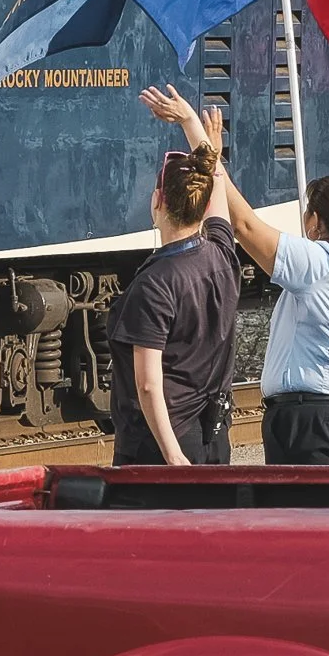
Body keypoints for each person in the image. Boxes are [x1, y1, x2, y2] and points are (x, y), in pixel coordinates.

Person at [143, 85, 329, 465]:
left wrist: (205, 148)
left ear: (315, 222)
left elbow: (242, 224)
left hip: (315, 425)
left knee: (303, 507)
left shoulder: (317, 264)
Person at [106, 120, 239, 467]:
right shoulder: (222, 254)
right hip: (214, 436)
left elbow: (148, 385)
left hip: (160, 444)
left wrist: (172, 454)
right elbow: (219, 195)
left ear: (157, 201)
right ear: (203, 206)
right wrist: (194, 129)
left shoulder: (154, 284)